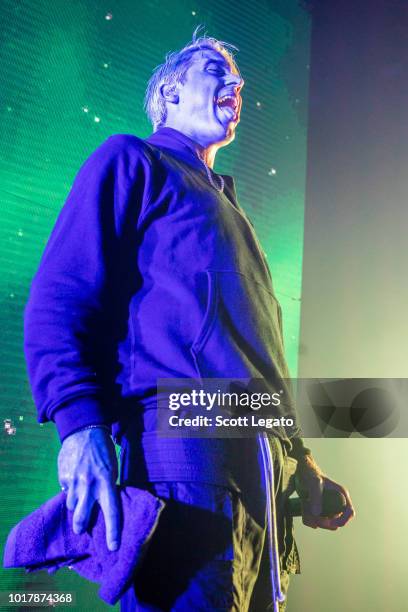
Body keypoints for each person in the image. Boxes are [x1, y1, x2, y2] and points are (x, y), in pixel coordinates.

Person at [24, 31, 355, 611]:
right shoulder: (132, 159)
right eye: (215, 70)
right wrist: (80, 426)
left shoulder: (232, 212)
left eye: (238, 77)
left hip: (263, 481)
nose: (237, 84)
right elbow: (60, 297)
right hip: (185, 465)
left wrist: (299, 458)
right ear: (171, 92)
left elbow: (257, 353)